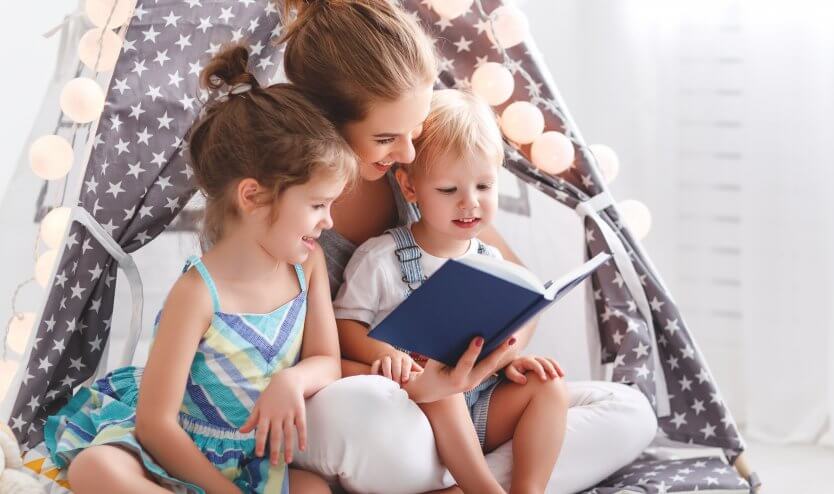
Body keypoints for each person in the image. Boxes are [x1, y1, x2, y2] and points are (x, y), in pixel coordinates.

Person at [279, 1, 658, 492]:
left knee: (628, 411)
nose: (409, 154)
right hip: (373, 407)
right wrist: (413, 378)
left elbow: (522, 297)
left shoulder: (421, 178)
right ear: (327, 122)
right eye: (388, 137)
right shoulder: (293, 208)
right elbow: (300, 361)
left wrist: (491, 363)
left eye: (414, 132)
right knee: (365, 414)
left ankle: (461, 486)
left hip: (459, 403)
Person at [43, 45, 355, 494]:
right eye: (318, 205)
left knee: (316, 491)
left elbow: (328, 361)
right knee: (97, 469)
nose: (329, 222)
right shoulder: (197, 293)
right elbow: (155, 425)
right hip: (171, 451)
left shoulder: (309, 266)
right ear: (253, 197)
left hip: (250, 460)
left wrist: (294, 379)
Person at [337, 89, 569, 493]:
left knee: (549, 386)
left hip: (480, 404)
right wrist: (386, 355)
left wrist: (507, 360)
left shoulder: (491, 260)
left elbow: (497, 336)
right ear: (410, 188)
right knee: (440, 379)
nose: (470, 204)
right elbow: (344, 325)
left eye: (484, 186)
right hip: (420, 415)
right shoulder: (380, 256)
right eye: (449, 191)